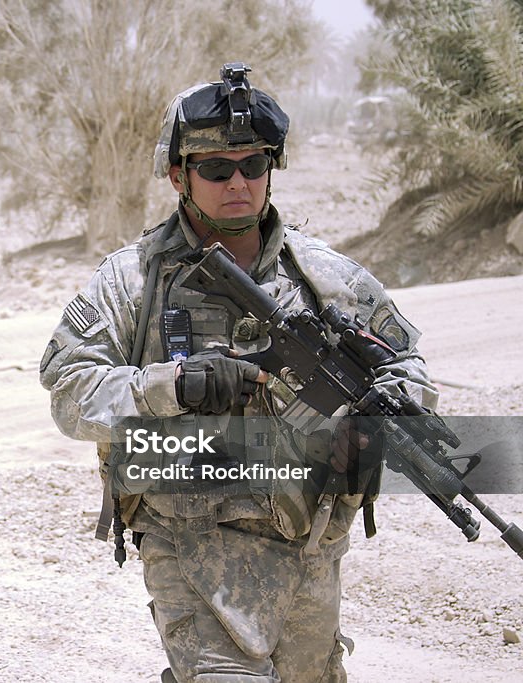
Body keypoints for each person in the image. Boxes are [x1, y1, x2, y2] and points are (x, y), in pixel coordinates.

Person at [39, 63, 438, 682]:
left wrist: (392, 399)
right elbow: (69, 390)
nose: (239, 184)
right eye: (217, 170)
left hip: (309, 543)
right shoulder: (134, 279)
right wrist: (173, 386)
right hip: (192, 543)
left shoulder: (324, 278)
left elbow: (407, 366)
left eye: (254, 166)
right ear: (178, 176)